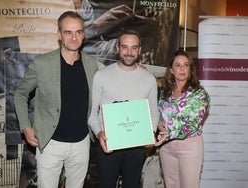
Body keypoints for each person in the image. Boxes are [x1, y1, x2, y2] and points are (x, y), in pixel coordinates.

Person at [14, 11, 98, 188]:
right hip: (51, 143)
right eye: (68, 32)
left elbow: (113, 78)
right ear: (59, 35)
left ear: (83, 34)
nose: (74, 37)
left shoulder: (92, 64)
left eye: (78, 32)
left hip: (81, 144)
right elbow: (20, 94)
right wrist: (25, 127)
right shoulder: (42, 63)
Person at [88, 30, 159, 188]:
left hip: (137, 146)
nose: (129, 52)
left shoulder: (149, 79)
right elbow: (92, 112)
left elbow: (154, 111)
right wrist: (99, 133)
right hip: (109, 145)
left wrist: (150, 133)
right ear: (117, 48)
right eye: (125, 47)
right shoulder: (102, 75)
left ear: (140, 50)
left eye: (134, 48)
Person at [155, 50, 210, 188]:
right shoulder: (165, 92)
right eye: (178, 65)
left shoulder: (199, 93)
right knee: (170, 185)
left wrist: (170, 132)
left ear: (190, 69)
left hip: (189, 146)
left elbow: (193, 123)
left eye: (186, 65)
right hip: (166, 147)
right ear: (171, 70)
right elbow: (161, 114)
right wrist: (160, 124)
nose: (182, 69)